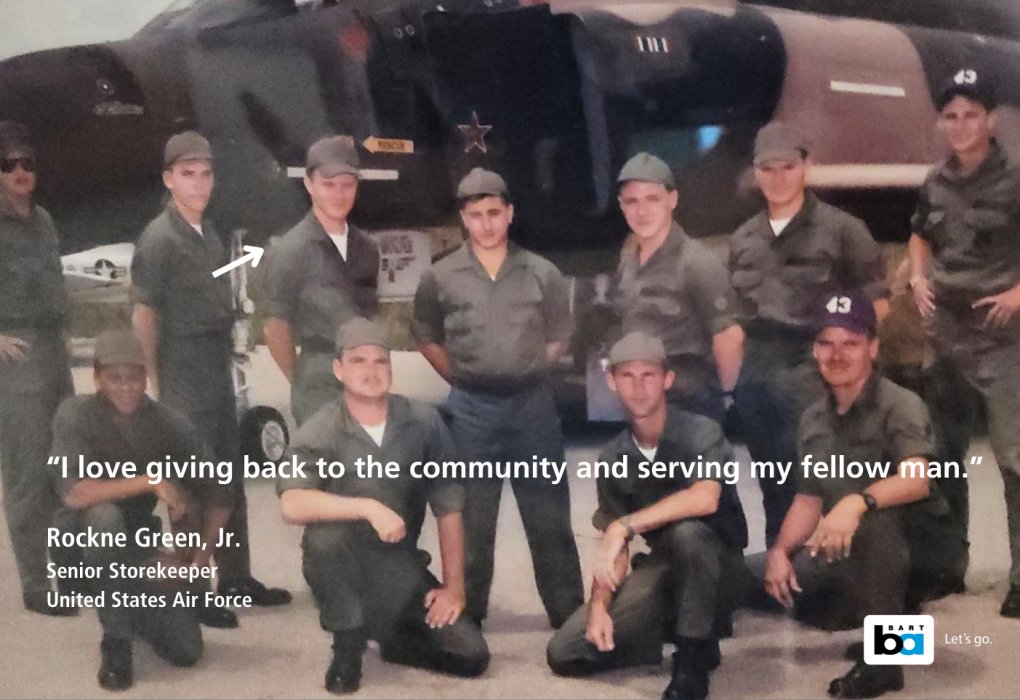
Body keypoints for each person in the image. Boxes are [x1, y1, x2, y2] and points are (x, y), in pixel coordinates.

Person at [752, 289, 964, 698]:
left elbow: (917, 478)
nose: (837, 354)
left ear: (873, 347)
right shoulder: (813, 418)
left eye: (850, 342)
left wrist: (855, 502)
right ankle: (888, 629)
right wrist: (779, 552)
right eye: (826, 343)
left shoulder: (900, 404)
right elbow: (808, 498)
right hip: (856, 546)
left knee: (874, 520)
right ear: (814, 350)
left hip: (926, 548)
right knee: (754, 575)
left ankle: (885, 662)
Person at [278, 318, 489, 694]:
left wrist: (454, 587)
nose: (371, 371)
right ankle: (346, 643)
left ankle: (386, 633)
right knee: (325, 540)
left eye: (380, 361)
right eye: (359, 361)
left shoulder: (424, 422)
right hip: (342, 565)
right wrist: (366, 508)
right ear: (338, 369)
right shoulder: (320, 429)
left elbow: (448, 505)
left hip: (400, 565)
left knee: (470, 655)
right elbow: (292, 504)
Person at [411, 167, 583, 629]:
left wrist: (526, 369)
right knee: (472, 518)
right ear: (463, 220)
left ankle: (568, 613)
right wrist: (467, 376)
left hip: (532, 407)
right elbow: (426, 336)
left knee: (549, 516)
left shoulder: (541, 272)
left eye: (494, 213)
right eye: (475, 215)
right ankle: (468, 612)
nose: (486, 223)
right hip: (471, 411)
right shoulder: (440, 276)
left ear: (509, 214)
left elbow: (560, 334)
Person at [131, 131, 290, 609]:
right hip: (182, 370)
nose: (199, 184)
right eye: (187, 175)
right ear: (169, 178)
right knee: (191, 482)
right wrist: (157, 385)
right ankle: (193, 591)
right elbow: (144, 315)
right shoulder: (160, 238)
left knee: (227, 474)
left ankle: (236, 578)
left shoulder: (209, 232)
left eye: (205, 174)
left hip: (215, 366)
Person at [547, 331, 747, 700]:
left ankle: (692, 661)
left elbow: (705, 499)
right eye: (627, 376)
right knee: (566, 652)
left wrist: (860, 503)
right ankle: (688, 632)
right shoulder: (614, 457)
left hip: (722, 569)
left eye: (649, 375)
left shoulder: (700, 432)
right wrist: (599, 608)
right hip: (666, 567)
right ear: (611, 382)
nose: (638, 388)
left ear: (668, 379)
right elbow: (614, 549)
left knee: (691, 535)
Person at [730, 121, 889, 545]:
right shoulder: (744, 238)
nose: (777, 177)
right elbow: (736, 317)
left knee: (825, 478)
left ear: (806, 166)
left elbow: (876, 306)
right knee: (772, 480)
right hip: (759, 371)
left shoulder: (842, 230)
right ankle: (782, 573)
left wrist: (848, 372)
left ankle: (836, 578)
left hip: (815, 368)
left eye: (786, 166)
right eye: (767, 168)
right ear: (755, 172)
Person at [48, 330, 233, 690]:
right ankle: (116, 642)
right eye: (114, 378)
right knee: (104, 518)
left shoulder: (167, 422)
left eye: (134, 377)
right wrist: (149, 481)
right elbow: (74, 494)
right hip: (80, 546)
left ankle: (136, 606)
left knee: (187, 651)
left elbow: (220, 490)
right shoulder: (74, 414)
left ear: (146, 378)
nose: (126, 387)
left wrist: (199, 561)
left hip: (136, 547)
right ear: (97, 378)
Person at [907, 69, 1020, 617]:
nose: (960, 125)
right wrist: (916, 275)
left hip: (1002, 339)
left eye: (971, 114)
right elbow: (920, 231)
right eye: (950, 115)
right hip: (947, 338)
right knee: (944, 460)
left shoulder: (1016, 175)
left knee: (1014, 459)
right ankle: (950, 566)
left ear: (991, 119)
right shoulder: (935, 180)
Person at [0, 120, 77, 615]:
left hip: (54, 349)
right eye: (9, 164)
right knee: (28, 472)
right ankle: (36, 582)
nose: (20, 171)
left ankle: (71, 571)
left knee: (65, 465)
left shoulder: (44, 220)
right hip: (18, 353)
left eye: (27, 162)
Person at [611, 152, 744, 424]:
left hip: (689, 402)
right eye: (632, 201)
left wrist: (728, 395)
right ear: (621, 205)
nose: (642, 211)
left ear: (672, 200)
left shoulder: (696, 262)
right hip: (642, 401)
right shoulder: (628, 262)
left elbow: (729, 336)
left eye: (652, 199)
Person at [263, 136, 380, 426]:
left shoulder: (367, 248)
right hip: (319, 388)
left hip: (366, 384)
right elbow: (275, 328)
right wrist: (302, 380)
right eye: (328, 184)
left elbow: (372, 318)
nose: (339, 194)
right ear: (309, 185)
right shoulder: (291, 250)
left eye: (347, 185)